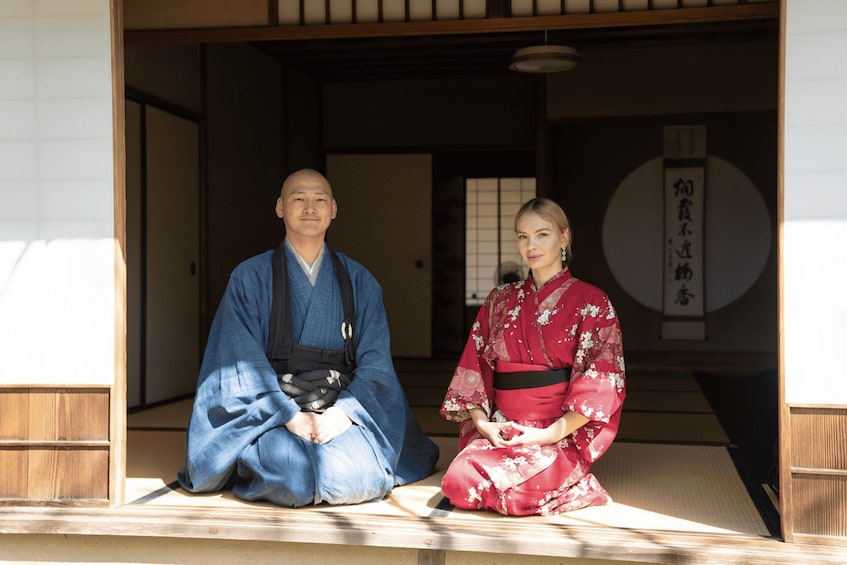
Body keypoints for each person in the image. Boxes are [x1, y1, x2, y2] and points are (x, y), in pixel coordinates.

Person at [177, 168, 439, 507]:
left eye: (319, 200)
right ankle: (260, 453)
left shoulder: (359, 280)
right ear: (280, 208)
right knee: (294, 475)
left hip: (340, 408)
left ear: (333, 210)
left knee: (357, 477)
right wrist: (289, 415)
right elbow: (239, 364)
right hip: (273, 410)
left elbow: (376, 364)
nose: (309, 207)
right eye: (298, 199)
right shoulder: (249, 278)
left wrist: (343, 414)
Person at [439, 197, 625, 516]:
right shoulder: (500, 299)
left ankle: (571, 480)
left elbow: (601, 381)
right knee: (459, 483)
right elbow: (475, 365)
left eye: (542, 234)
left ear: (564, 237)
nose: (531, 245)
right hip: (503, 427)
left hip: (557, 431)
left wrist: (549, 433)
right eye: (522, 236)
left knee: (511, 491)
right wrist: (484, 426)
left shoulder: (592, 302)